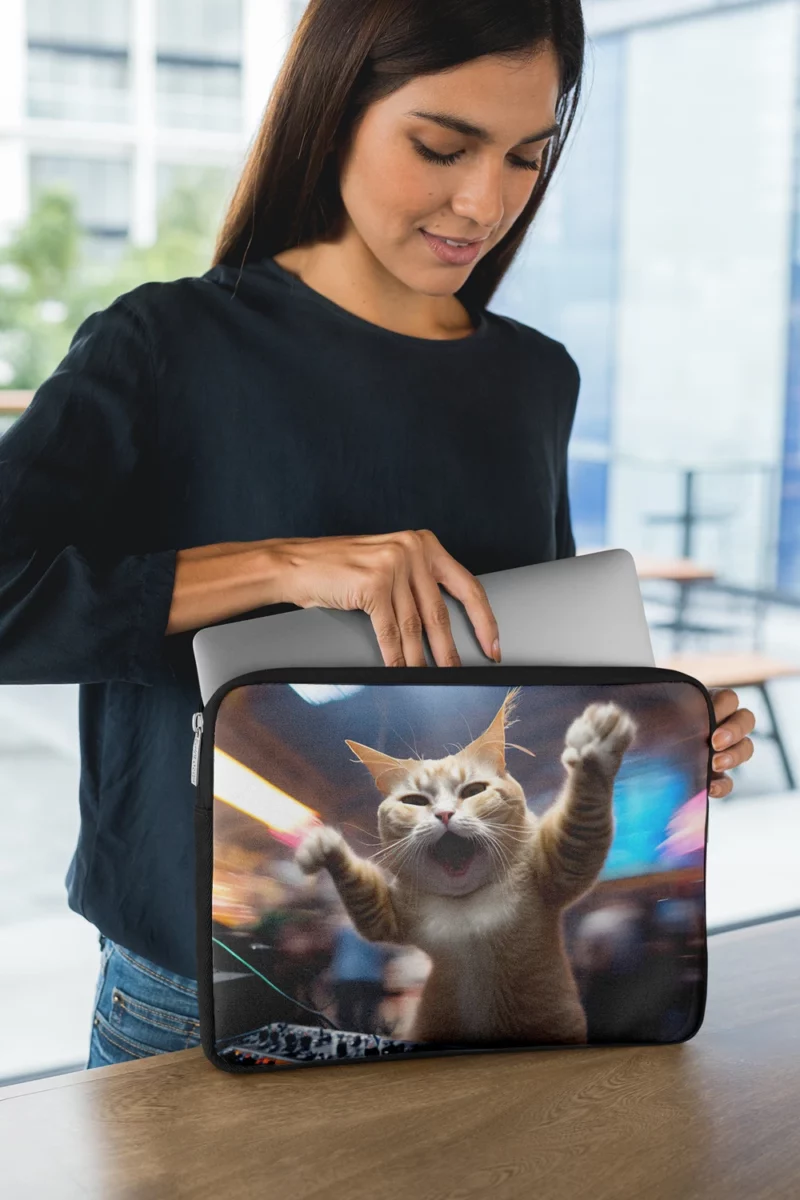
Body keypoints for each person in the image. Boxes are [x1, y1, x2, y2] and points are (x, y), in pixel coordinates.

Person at [0, 0, 751, 1068]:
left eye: (525, 159)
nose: (482, 201)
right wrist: (288, 567)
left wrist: (663, 729)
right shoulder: (164, 345)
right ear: (332, 109)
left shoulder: (535, 377)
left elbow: (522, 674)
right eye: (440, 146)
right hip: (196, 995)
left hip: (484, 995)